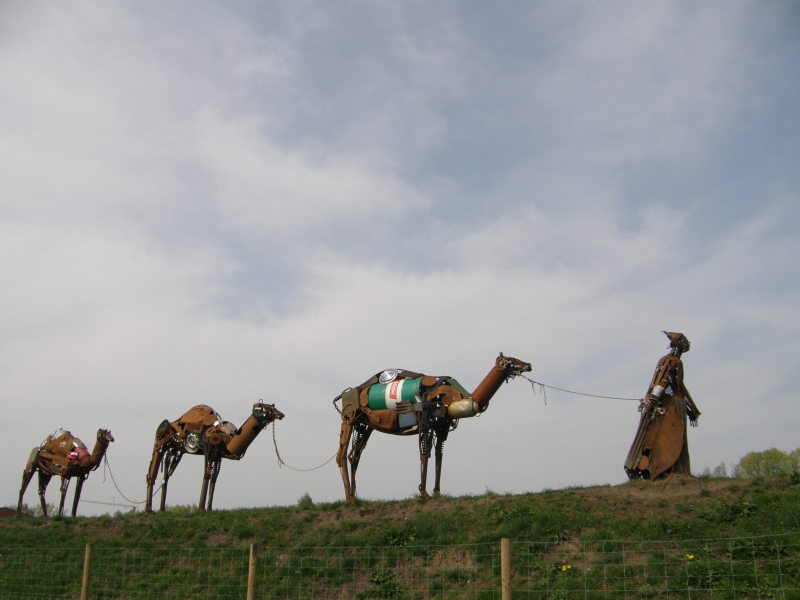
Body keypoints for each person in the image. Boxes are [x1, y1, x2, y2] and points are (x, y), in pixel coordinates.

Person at [624, 331, 701, 480]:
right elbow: (662, 381)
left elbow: (679, 387)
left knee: (673, 437)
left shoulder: (675, 362)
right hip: (668, 404)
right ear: (678, 344)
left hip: (675, 403)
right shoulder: (669, 361)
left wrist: (692, 408)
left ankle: (677, 471)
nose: (686, 345)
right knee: (655, 434)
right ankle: (652, 470)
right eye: (683, 342)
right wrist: (653, 398)